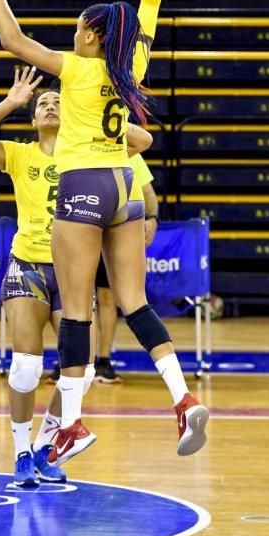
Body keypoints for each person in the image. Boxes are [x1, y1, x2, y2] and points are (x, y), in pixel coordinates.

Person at [0, 0, 209, 466]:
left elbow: (13, 40)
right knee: (134, 303)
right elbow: (149, 7)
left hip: (83, 184)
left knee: (78, 308)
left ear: (89, 33)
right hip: (126, 184)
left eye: (77, 28)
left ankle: (70, 422)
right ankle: (183, 397)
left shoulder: (78, 67)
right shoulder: (130, 63)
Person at [0, 68, 92, 487]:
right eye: (42, 105)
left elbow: (139, 151)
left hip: (73, 269)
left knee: (82, 372)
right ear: (34, 120)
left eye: (57, 103)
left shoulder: (87, 155)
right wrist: (11, 102)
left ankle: (43, 448)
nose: (50, 106)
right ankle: (20, 454)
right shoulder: (20, 154)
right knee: (25, 368)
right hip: (29, 264)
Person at [95, 153, 159, 383]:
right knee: (73, 299)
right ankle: (73, 360)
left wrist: (152, 218)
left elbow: (149, 193)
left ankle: (103, 360)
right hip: (80, 228)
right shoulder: (75, 147)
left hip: (112, 233)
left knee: (107, 298)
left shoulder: (127, 151)